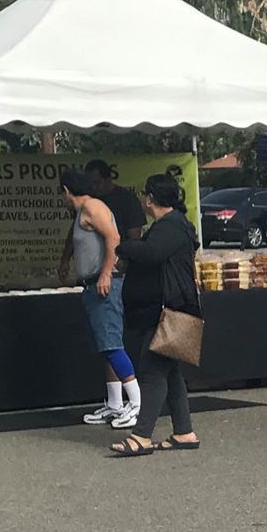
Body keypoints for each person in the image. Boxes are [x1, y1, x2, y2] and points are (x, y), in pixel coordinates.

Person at [112, 171, 201, 455]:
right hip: (170, 309)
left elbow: (152, 253)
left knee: (151, 371)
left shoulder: (171, 226)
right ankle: (184, 432)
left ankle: (141, 436)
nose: (141, 199)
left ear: (150, 198)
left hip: (169, 311)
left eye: (143, 195)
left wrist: (123, 247)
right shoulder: (170, 225)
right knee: (171, 372)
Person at [59, 167, 139, 430]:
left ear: (66, 191)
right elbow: (76, 240)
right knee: (105, 346)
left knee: (112, 343)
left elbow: (113, 237)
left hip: (105, 284)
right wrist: (65, 260)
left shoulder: (94, 208)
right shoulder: (81, 213)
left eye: (61, 193)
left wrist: (106, 274)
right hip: (90, 285)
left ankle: (137, 404)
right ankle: (114, 404)